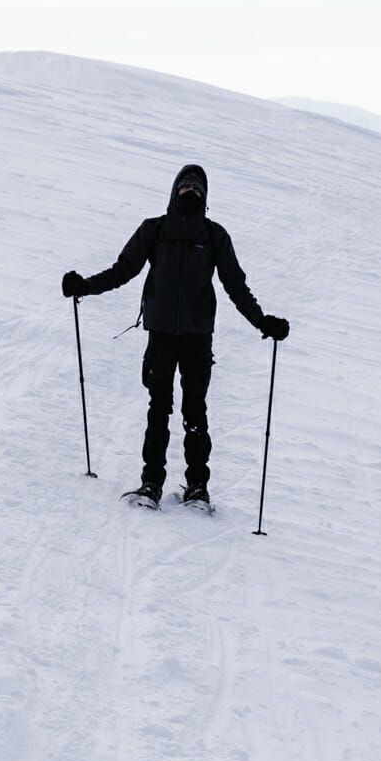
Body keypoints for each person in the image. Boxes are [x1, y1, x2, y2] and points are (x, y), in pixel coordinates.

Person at [63, 164, 288, 509]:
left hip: (197, 337)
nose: (191, 193)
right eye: (185, 188)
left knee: (195, 411)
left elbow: (235, 286)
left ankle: (198, 487)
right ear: (174, 191)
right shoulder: (154, 230)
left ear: (205, 196)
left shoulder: (214, 237)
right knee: (159, 409)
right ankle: (151, 483)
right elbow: (124, 270)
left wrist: (263, 322)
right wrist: (86, 287)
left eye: (197, 190)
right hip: (162, 336)